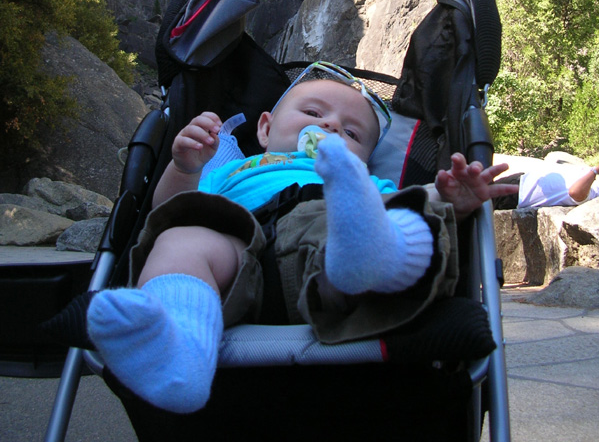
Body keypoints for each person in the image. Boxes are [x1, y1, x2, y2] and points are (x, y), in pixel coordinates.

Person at [86, 62, 516, 414]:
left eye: (352, 134)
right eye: (313, 114)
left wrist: (448, 197)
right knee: (180, 237)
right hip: (235, 246)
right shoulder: (227, 170)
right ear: (265, 128)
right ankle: (176, 347)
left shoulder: (362, 187)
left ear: (366, 159)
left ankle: (371, 256)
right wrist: (184, 167)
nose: (330, 126)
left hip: (331, 241)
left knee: (400, 215)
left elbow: (416, 200)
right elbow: (163, 212)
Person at [493, 151, 599, 210]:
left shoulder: (594, 194)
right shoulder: (592, 180)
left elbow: (575, 192)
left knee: (478, 200)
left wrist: (595, 170)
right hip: (521, 180)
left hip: (519, 193)